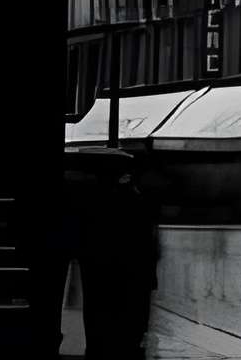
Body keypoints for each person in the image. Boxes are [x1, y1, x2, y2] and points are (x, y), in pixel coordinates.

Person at [72, 148, 159, 359]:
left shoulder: (91, 202)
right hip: (131, 275)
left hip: (99, 272)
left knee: (98, 322)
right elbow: (147, 245)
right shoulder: (137, 202)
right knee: (128, 329)